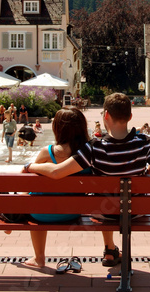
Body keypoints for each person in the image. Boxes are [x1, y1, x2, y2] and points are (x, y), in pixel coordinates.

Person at [23, 92, 150, 268]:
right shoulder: (145, 142)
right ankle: (111, 251)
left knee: (106, 200)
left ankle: (110, 249)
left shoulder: (95, 148)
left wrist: (29, 167)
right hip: (135, 212)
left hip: (106, 214)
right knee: (116, 200)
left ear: (106, 115)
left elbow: (57, 172)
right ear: (130, 116)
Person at [24, 107, 90, 268]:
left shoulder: (47, 153)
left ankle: (39, 258)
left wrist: (28, 166)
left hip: (41, 215)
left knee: (35, 199)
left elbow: (25, 182)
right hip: (73, 213)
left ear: (57, 129)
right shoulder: (88, 154)